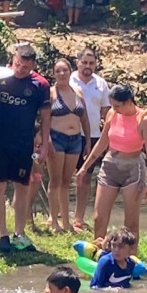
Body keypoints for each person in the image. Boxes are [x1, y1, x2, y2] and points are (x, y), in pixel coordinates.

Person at [0, 43, 51, 253]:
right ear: (13, 60)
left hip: (23, 143)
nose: (20, 70)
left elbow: (45, 115)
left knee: (22, 187)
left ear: (32, 65)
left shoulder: (40, 85)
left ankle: (19, 233)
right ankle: (3, 234)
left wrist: (43, 141)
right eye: (17, 65)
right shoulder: (0, 77)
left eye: (25, 67)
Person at [77, 84, 147, 240]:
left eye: (117, 105)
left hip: (133, 169)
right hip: (110, 166)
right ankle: (99, 256)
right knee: (99, 218)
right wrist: (84, 167)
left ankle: (129, 260)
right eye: (112, 105)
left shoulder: (143, 120)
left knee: (131, 225)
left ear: (128, 101)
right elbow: (102, 142)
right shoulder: (112, 114)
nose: (114, 108)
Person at [70, 48, 112, 232]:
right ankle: (55, 215)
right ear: (77, 62)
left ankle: (78, 218)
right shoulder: (68, 79)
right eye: (84, 62)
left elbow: (107, 111)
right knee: (61, 177)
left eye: (91, 63)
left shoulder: (101, 84)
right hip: (69, 133)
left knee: (85, 177)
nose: (88, 66)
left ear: (95, 64)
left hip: (94, 135)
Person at [47, 58, 91, 234]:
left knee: (67, 181)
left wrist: (87, 140)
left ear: (70, 71)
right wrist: (46, 139)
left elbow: (85, 118)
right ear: (54, 74)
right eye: (58, 71)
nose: (62, 74)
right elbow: (44, 118)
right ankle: (54, 221)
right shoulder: (51, 93)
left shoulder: (78, 91)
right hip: (56, 138)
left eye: (64, 70)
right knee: (55, 180)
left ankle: (67, 222)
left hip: (75, 140)